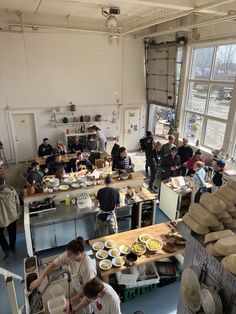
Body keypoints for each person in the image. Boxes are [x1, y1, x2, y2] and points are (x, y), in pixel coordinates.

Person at [30, 237, 97, 313]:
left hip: (87, 295)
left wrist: (71, 301)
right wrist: (40, 279)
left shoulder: (88, 269)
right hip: (76, 286)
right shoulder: (70, 254)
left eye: (70, 255)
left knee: (86, 310)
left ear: (78, 253)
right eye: (67, 254)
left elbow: (87, 291)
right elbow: (53, 264)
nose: (67, 257)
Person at [0, 176, 21, 260]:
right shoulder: (12, 190)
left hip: (1, 218)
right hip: (12, 216)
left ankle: (6, 248)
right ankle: (12, 248)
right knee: (12, 233)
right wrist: (18, 213)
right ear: (4, 182)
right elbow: (17, 203)